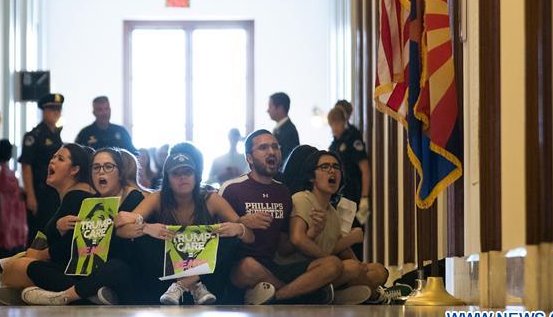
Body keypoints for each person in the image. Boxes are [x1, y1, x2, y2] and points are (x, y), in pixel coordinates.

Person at [220, 131, 352, 305]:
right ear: (249, 158)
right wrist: (242, 222)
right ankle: (305, 295)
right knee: (249, 266)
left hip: (273, 266)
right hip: (239, 268)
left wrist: (312, 231)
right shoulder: (232, 189)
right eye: (263, 147)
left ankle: (280, 295)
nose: (271, 151)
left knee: (332, 264)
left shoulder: (283, 192)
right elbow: (216, 233)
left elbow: (284, 248)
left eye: (275, 147)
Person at [117, 147, 255, 305]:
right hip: (166, 280)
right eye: (176, 173)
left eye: (187, 172)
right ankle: (192, 283)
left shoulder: (211, 199)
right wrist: (147, 227)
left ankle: (185, 284)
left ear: (196, 177)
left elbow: (250, 237)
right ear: (167, 179)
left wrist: (240, 229)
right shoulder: (157, 198)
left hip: (206, 280)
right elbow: (122, 230)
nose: (183, 178)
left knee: (230, 235)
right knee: (144, 236)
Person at [20, 144, 135, 306]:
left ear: (120, 173)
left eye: (108, 167)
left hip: (120, 270)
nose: (101, 172)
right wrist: (59, 227)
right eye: (96, 168)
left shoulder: (133, 197)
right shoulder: (91, 203)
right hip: (90, 267)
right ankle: (90, 296)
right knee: (35, 268)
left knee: (115, 266)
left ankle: (64, 297)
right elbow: (74, 245)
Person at [284, 148, 387, 302]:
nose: (332, 171)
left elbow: (341, 247)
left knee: (379, 271)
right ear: (312, 177)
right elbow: (297, 239)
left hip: (326, 268)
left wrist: (361, 267)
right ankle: (376, 296)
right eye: (324, 167)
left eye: (336, 167)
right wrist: (334, 260)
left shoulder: (332, 211)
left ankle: (332, 294)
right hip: (300, 269)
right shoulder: (302, 199)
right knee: (348, 267)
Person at [20, 93, 65, 244]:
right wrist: (31, 196)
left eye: (58, 109)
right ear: (44, 111)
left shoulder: (57, 136)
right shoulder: (34, 136)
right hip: (39, 191)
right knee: (37, 232)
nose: (56, 112)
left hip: (54, 192)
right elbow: (26, 166)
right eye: (52, 108)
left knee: (52, 231)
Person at [327, 106, 371, 260]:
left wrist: (365, 197)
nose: (333, 129)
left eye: (335, 124)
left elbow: (365, 169)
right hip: (340, 197)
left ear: (342, 122)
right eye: (331, 125)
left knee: (355, 235)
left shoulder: (353, 138)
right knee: (341, 234)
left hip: (354, 195)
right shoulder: (335, 143)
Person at [0, 139, 27, 262]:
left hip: (12, 209)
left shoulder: (4, 171)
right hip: (10, 210)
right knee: (9, 236)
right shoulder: (3, 171)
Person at [268, 92, 299, 170]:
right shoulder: (280, 128)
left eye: (270, 106)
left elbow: (287, 159)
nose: (267, 110)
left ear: (280, 108)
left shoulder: (289, 130)